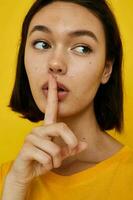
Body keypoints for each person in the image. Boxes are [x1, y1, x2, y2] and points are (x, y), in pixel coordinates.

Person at [1, 0, 133, 199]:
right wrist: (14, 189)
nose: (55, 63)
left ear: (106, 69)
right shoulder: (9, 179)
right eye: (41, 44)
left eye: (81, 48)